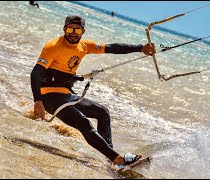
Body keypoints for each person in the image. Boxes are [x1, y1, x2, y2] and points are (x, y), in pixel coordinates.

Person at [30, 15, 156, 166]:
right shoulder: (53, 46)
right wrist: (37, 101)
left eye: (77, 30)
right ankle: (118, 159)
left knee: (103, 112)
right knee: (84, 123)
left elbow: (112, 48)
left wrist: (140, 48)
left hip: (65, 94)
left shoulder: (85, 46)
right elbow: (36, 73)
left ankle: (111, 159)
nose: (73, 33)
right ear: (64, 29)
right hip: (49, 97)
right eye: (70, 29)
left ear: (83, 31)